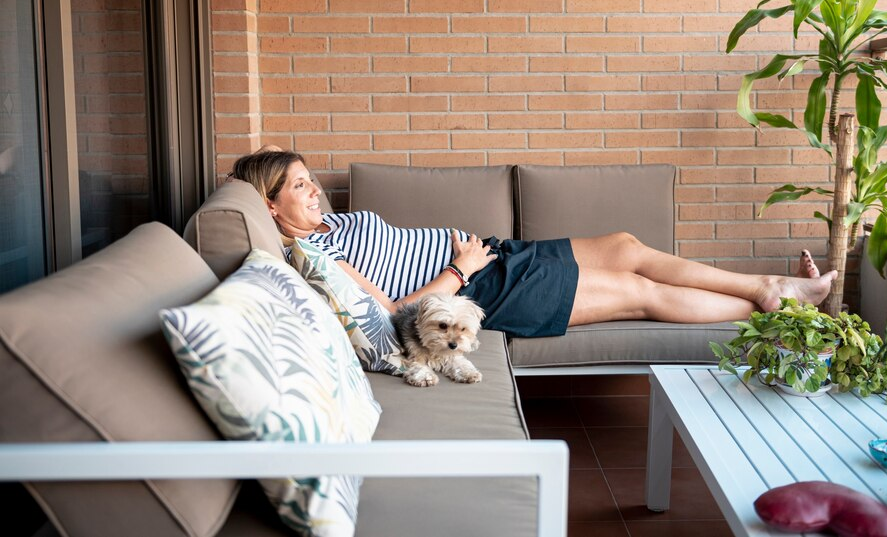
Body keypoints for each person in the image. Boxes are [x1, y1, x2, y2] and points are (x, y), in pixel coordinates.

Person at [231, 150, 836, 338]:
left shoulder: (330, 228)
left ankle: (767, 285)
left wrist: (474, 253)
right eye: (300, 186)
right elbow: (394, 316)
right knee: (637, 291)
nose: (314, 192)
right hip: (484, 289)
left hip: (495, 255)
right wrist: (462, 271)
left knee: (627, 245)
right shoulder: (315, 258)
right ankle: (772, 308)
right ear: (268, 203)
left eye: (312, 181)